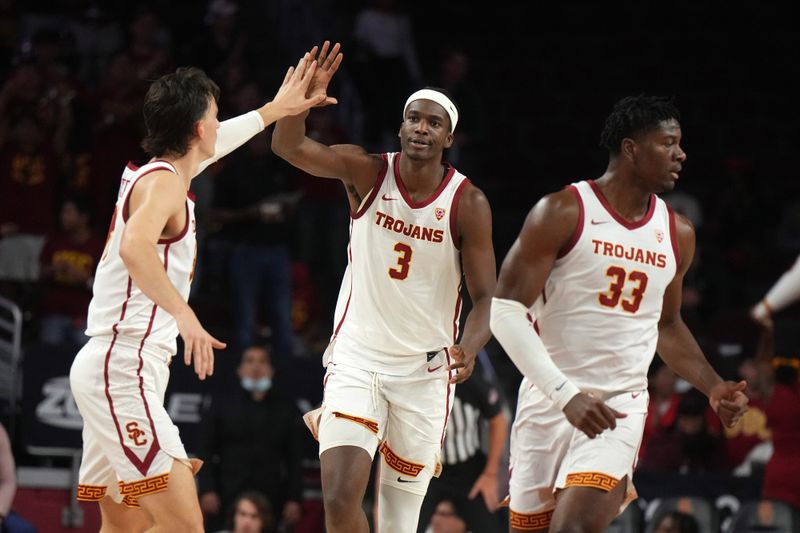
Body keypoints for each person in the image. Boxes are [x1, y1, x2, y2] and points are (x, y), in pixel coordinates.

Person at [68, 53, 328, 532]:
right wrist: (186, 317)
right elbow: (135, 248)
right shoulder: (164, 185)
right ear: (196, 129)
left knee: (122, 527)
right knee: (184, 525)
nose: (217, 122)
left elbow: (219, 142)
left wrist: (275, 110)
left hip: (115, 366)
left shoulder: (165, 172)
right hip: (121, 368)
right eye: (213, 113)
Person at [490, 95, 749, 533]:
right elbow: (504, 312)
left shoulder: (677, 232)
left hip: (618, 408)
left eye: (680, 144)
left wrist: (712, 385)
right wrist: (565, 395)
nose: (681, 154)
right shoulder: (562, 211)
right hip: (548, 403)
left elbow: (666, 325)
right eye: (668, 143)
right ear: (631, 148)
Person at [271, 42, 497, 533]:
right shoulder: (367, 169)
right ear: (400, 126)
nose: (421, 127)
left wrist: (470, 347)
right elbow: (288, 148)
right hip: (358, 359)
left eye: (433, 122)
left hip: (423, 372)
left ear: (449, 137)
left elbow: (486, 300)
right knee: (338, 497)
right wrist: (299, 106)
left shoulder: (468, 203)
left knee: (397, 523)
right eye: (414, 118)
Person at [198, 345, 304, 531]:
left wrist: (294, 498)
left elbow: (295, 458)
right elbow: (205, 449)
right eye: (249, 361)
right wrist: (207, 489)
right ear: (239, 369)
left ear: (271, 370)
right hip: (225, 494)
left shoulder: (287, 409)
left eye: (262, 361)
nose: (256, 367)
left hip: (271, 495)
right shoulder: (221, 405)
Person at [417, 353, 508, 533]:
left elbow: (498, 419)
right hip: (425, 471)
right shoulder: (411, 379)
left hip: (468, 470)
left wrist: (490, 474)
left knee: (494, 525)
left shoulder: (464, 376)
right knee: (402, 524)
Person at [38, 194, 104, 346]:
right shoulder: (54, 241)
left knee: (85, 358)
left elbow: (106, 287)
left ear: (83, 217)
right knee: (49, 357)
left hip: (84, 316)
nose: (63, 217)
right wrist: (53, 269)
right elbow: (39, 274)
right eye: (62, 212)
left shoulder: (97, 247)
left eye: (68, 212)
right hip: (53, 314)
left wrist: (84, 279)